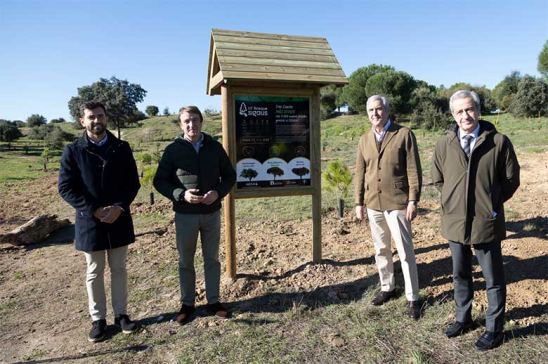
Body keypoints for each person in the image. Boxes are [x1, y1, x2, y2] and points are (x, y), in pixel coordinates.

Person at [431, 90, 520, 351]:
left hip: (486, 221)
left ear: (479, 111)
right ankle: (463, 318)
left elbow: (511, 180)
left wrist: (490, 202)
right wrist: (452, 202)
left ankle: (494, 329)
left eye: (469, 109)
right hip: (455, 222)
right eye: (459, 111)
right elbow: (438, 179)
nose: (465, 115)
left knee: (493, 278)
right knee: (460, 274)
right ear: (452, 115)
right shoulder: (443, 144)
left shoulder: (499, 142)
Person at [58, 101, 141, 342]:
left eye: (100, 116)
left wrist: (119, 207)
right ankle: (98, 319)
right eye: (91, 117)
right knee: (94, 271)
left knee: (119, 269)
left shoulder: (121, 148)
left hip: (118, 218)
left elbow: (132, 183)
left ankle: (122, 315)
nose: (97, 120)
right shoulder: (73, 151)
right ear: (82, 121)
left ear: (106, 118)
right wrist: (93, 210)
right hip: (89, 221)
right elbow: (65, 187)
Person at [153, 105, 236, 325]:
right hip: (185, 215)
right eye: (187, 121)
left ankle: (213, 302)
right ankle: (187, 305)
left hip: (211, 213)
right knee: (185, 261)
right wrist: (181, 194)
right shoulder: (173, 150)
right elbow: (159, 181)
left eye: (195, 120)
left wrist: (217, 193)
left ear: (201, 121)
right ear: (181, 124)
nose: (192, 125)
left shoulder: (215, 147)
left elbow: (229, 176)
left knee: (212, 259)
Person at [354, 95, 422, 319]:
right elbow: (360, 173)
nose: (375, 114)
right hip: (373, 203)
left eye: (379, 109)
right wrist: (359, 202)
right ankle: (387, 287)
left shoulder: (403, 134)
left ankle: (413, 297)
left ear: (387, 110)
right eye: (371, 110)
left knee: (405, 251)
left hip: (398, 203)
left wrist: (413, 200)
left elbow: (413, 169)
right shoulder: (364, 139)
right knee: (381, 249)